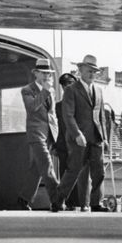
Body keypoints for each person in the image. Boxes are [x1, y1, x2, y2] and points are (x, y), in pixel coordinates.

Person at [52, 54, 109, 212]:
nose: (91, 74)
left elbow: (101, 115)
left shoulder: (98, 90)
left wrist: (104, 138)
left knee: (99, 172)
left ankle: (96, 203)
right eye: (88, 70)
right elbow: (68, 115)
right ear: (81, 70)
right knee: (74, 170)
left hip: (96, 138)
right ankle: (57, 200)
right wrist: (77, 134)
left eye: (94, 71)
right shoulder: (71, 90)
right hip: (79, 139)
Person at [16, 58, 59, 210]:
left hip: (49, 134)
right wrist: (45, 91)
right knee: (47, 165)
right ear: (37, 74)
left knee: (37, 169)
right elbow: (32, 107)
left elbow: (52, 114)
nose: (48, 75)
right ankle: (57, 200)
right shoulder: (27, 90)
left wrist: (56, 133)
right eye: (44, 73)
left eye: (49, 73)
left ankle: (23, 199)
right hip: (36, 134)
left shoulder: (51, 90)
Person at [54, 72, 84, 209]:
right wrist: (55, 145)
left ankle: (78, 203)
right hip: (63, 145)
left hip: (77, 142)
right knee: (64, 172)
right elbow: (58, 127)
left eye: (70, 84)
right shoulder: (58, 106)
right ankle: (64, 201)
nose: (67, 87)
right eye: (64, 85)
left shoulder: (81, 103)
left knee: (78, 172)